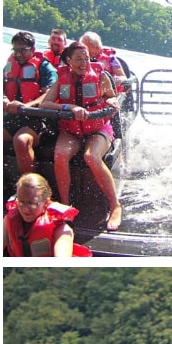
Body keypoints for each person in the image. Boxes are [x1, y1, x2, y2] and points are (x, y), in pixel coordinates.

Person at [39, 41, 123, 231]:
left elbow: (111, 96)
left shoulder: (100, 75)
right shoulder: (62, 79)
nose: (84, 62)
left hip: (98, 128)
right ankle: (66, 205)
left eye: (86, 58)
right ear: (69, 61)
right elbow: (46, 104)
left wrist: (112, 101)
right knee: (60, 154)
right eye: (79, 59)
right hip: (72, 130)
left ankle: (114, 205)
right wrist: (69, 107)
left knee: (91, 156)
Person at [3, 31, 58, 174]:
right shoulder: (10, 65)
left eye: (22, 50)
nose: (18, 54)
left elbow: (49, 94)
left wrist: (26, 106)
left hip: (39, 119)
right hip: (14, 117)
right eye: (15, 50)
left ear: (33, 50)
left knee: (21, 141)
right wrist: (4, 100)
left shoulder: (45, 68)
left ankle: (28, 186)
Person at [3, 173, 92, 257]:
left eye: (32, 204)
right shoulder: (9, 219)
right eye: (21, 202)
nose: (25, 209)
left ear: (45, 202)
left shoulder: (61, 227)